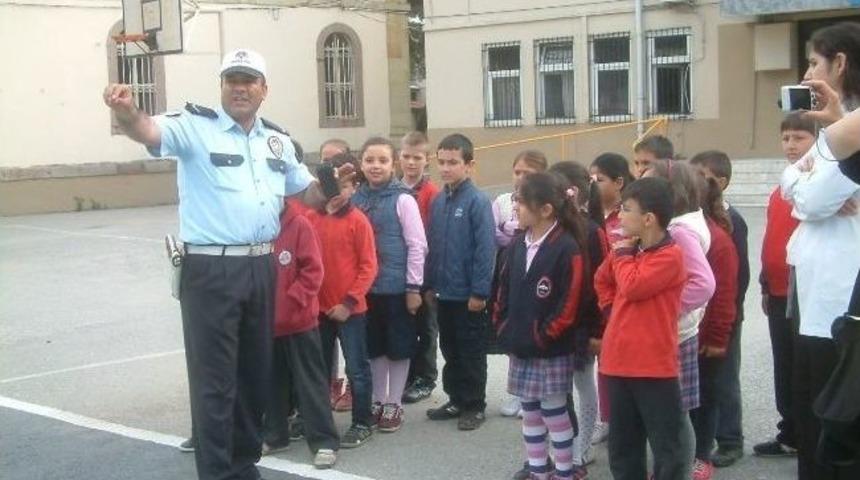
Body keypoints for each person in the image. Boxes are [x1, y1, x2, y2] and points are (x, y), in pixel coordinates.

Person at [103, 49, 317, 480]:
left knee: (253, 375)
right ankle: (218, 473)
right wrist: (126, 111)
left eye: (249, 80)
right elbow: (147, 130)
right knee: (215, 382)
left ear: (263, 89)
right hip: (211, 269)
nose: (240, 87)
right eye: (232, 79)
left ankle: (243, 465)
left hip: (262, 266)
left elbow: (305, 191)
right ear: (221, 86)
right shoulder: (194, 127)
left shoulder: (275, 140)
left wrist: (335, 185)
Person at [494, 171, 587, 480]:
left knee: (554, 411)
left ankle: (564, 472)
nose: (515, 207)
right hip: (521, 344)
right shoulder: (517, 245)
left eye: (521, 202)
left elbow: (569, 305)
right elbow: (503, 289)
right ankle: (538, 471)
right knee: (530, 412)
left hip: (551, 348)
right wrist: (503, 326)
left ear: (546, 209)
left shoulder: (567, 248)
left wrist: (543, 335)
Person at [594, 177, 688, 480]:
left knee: (666, 446)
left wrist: (622, 256)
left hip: (653, 367)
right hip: (618, 361)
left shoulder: (670, 256)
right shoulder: (626, 250)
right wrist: (612, 311)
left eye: (626, 210)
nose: (620, 216)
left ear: (648, 219)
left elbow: (634, 286)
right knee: (623, 446)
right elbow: (602, 279)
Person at [352, 137, 428, 433]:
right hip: (365, 290)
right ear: (361, 164)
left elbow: (417, 245)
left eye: (383, 160)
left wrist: (413, 288)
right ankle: (377, 399)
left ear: (393, 164)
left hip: (397, 288)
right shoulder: (355, 199)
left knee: (398, 347)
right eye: (370, 160)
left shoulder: (404, 199)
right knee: (374, 347)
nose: (376, 166)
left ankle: (394, 402)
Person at [752, 113, 816, 459]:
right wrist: (765, 284)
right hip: (777, 291)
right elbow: (771, 240)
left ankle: (811, 437)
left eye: (799, 138)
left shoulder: (816, 188)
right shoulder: (781, 189)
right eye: (786, 138)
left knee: (806, 369)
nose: (790, 145)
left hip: (805, 293)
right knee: (784, 366)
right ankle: (790, 432)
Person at [646, 160, 716, 478]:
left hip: (676, 332)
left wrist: (665, 308)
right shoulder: (679, 225)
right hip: (675, 330)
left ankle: (679, 470)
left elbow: (703, 283)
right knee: (669, 412)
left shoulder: (680, 232)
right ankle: (669, 468)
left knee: (675, 412)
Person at [425, 133, 496, 431]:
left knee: (471, 351)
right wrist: (430, 285)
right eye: (441, 162)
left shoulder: (477, 201)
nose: (445, 168)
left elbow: (485, 250)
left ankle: (474, 405)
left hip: (469, 295)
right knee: (450, 349)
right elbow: (433, 246)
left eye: (453, 162)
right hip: (444, 293)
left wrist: (479, 292)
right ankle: (455, 399)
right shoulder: (438, 201)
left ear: (469, 165)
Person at [308, 152, 379, 449]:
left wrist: (348, 303)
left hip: (351, 312)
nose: (340, 191)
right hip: (319, 311)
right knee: (320, 369)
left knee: (357, 369)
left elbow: (368, 266)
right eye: (334, 185)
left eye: (347, 185)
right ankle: (319, 422)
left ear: (355, 188)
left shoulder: (358, 221)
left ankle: (362, 422)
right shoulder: (311, 220)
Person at [263, 194, 339, 468]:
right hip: (266, 324)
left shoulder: (299, 224)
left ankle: (324, 441)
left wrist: (291, 301)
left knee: (310, 383)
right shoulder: (256, 226)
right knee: (271, 383)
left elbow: (313, 271)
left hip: (299, 321)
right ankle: (275, 435)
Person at [687, 151, 751, 468]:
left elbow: (737, 278)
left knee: (723, 382)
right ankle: (702, 443)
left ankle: (730, 440)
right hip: (702, 321)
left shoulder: (729, 222)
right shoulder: (693, 224)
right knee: (703, 386)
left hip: (723, 318)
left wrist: (728, 321)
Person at [549, 161, 609, 478]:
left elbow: (603, 285)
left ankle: (582, 446)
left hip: (584, 322)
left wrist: (599, 330)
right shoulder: (552, 228)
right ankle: (562, 444)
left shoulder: (593, 231)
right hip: (557, 319)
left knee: (583, 382)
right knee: (557, 389)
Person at [492, 150, 549, 418]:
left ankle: (536, 393)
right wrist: (514, 236)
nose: (521, 177)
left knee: (534, 329)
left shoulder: (545, 201)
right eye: (517, 172)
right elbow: (494, 232)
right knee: (514, 328)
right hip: (511, 267)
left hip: (537, 271)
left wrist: (512, 231)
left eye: (528, 173)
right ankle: (517, 392)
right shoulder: (502, 201)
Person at [399, 131, 442, 405]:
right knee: (405, 327)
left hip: (424, 273)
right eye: (406, 156)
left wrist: (431, 282)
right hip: (399, 271)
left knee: (426, 328)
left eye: (417, 157)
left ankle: (425, 378)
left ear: (427, 160)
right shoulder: (393, 189)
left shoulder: (432, 194)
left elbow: (435, 239)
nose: (411, 162)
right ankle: (407, 376)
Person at [590, 153, 636, 245]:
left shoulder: (630, 215)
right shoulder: (589, 213)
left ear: (618, 183)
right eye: (591, 180)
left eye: (599, 180)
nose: (592, 185)